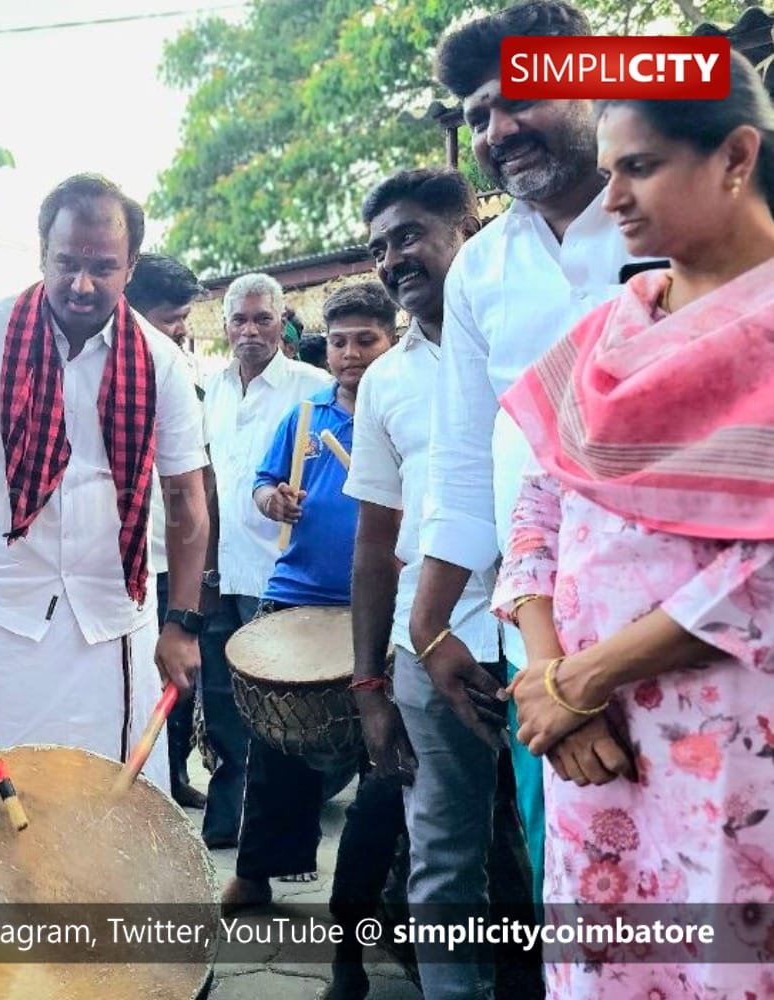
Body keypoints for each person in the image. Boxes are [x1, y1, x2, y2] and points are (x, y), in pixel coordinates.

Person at [496, 54, 774, 999]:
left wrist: (587, 677)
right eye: (609, 169)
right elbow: (538, 502)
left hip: (728, 751)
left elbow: (763, 572)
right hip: (591, 748)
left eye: (640, 168)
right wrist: (547, 676)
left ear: (736, 157)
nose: (611, 196)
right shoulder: (607, 331)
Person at [410, 0, 655, 905]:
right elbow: (467, 459)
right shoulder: (480, 270)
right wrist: (431, 625)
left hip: (695, 624)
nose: (499, 129)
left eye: (521, 99)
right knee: (579, 890)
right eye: (479, 113)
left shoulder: (683, 220)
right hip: (543, 639)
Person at [0, 173, 209, 794]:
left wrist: (182, 622)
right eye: (68, 263)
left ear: (130, 267)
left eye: (103, 268)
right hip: (7, 612)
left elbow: (186, 497)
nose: (82, 284)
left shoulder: (161, 361)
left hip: (114, 619)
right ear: (43, 253)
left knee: (116, 807)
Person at [347, 168, 537, 999]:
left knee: (570, 845)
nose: (394, 259)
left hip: (552, 640)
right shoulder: (385, 381)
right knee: (444, 856)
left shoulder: (531, 325)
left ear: (468, 227)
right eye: (380, 248)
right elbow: (374, 542)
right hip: (431, 645)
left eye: (410, 236)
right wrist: (369, 685)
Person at [227, 282, 399, 999]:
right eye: (341, 342)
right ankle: (256, 871)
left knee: (382, 761)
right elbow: (263, 483)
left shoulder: (402, 410)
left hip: (382, 608)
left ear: (391, 340)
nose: (351, 354)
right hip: (298, 598)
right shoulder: (305, 417)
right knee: (275, 750)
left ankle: (378, 898)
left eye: (366, 340)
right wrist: (274, 499)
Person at [198, 272, 331, 847]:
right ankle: (227, 827)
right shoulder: (214, 389)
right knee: (223, 706)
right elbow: (207, 484)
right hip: (222, 572)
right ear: (226, 326)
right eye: (240, 320)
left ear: (283, 324)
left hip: (281, 576)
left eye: (262, 319)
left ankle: (276, 841)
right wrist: (203, 571)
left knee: (281, 715)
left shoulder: (313, 387)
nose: (250, 330)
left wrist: (287, 500)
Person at [126, 251, 209, 809]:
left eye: (183, 318)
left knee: (175, 678)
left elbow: (197, 486)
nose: (180, 330)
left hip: (169, 562)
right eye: (169, 318)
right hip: (125, 567)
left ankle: (170, 778)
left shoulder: (181, 377)